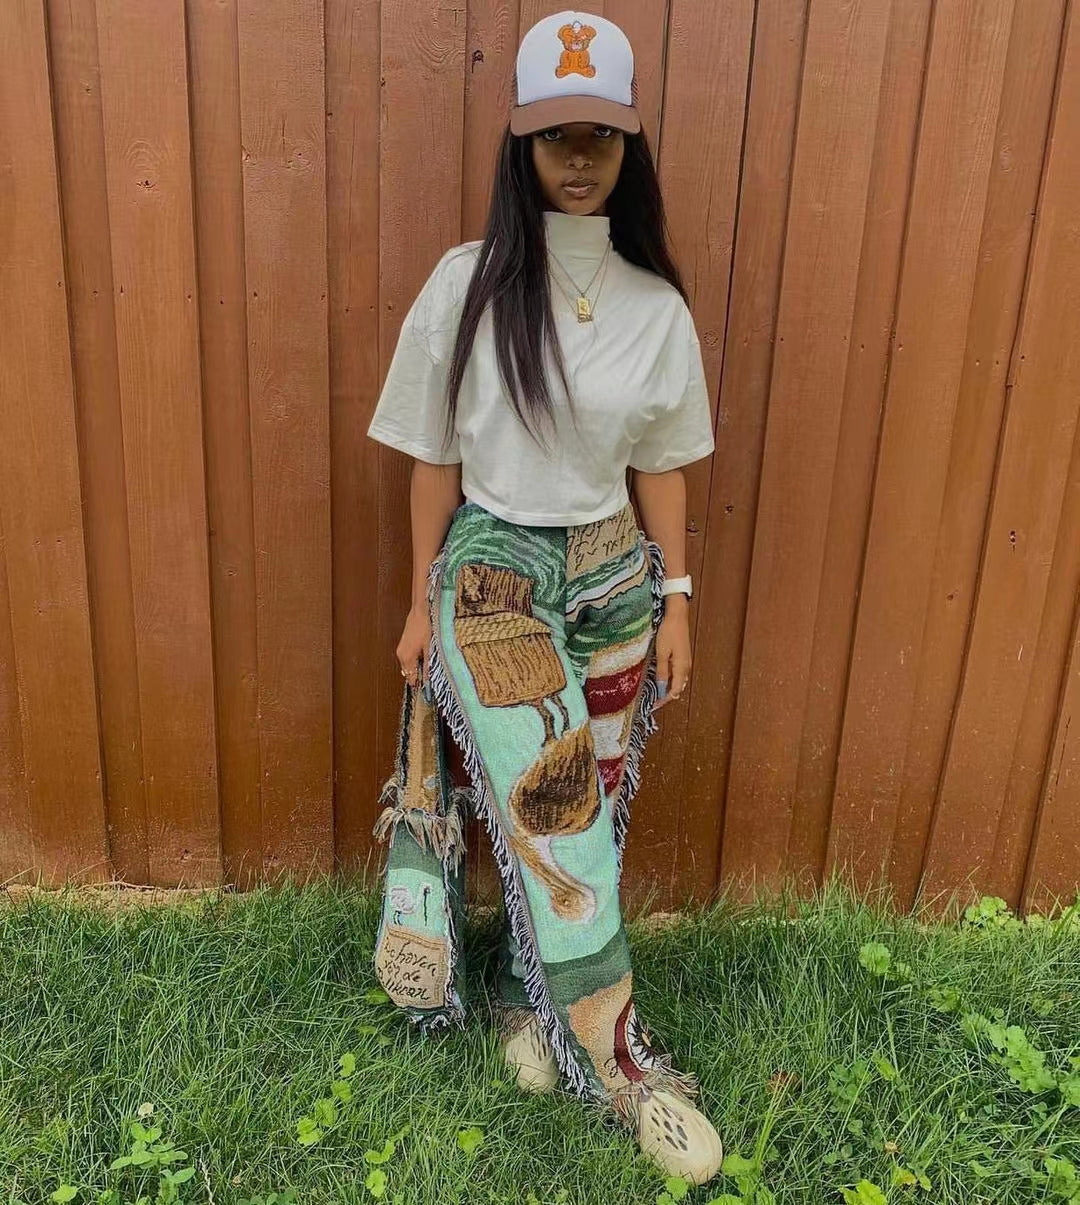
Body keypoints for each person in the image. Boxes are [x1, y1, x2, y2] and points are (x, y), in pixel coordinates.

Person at [366, 9, 723, 1186]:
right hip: (494, 571)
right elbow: (433, 458)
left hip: (615, 570)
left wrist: (677, 597)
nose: (578, 156)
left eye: (600, 135)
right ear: (520, 143)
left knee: (597, 801)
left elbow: (661, 465)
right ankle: (620, 1061)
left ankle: (531, 990)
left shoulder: (655, 306)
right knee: (555, 802)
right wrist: (421, 601)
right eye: (556, 134)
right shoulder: (464, 287)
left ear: (630, 146)